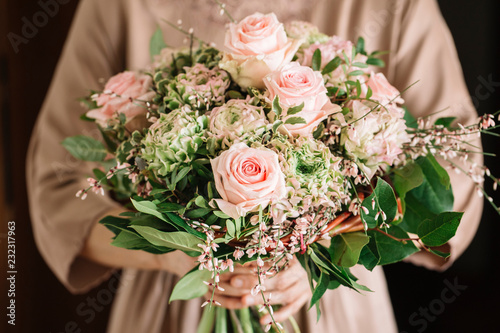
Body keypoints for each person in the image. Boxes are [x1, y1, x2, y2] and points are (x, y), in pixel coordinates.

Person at [27, 0, 483, 332]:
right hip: (171, 309)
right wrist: (177, 251)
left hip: (329, 310)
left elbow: (456, 176)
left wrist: (324, 252)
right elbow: (56, 185)